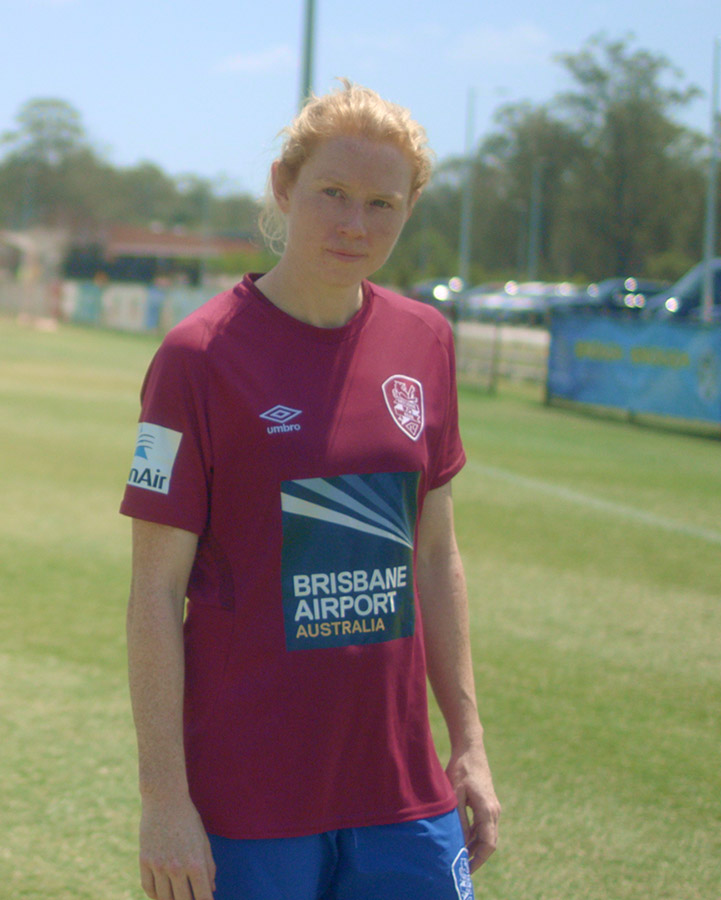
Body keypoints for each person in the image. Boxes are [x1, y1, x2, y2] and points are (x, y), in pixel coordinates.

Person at [123, 80, 500, 900]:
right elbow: (154, 592)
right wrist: (164, 800)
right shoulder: (196, 358)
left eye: (382, 203)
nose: (354, 223)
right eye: (332, 192)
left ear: (409, 210)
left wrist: (468, 742)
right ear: (283, 187)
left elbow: (435, 556)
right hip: (247, 799)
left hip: (401, 793)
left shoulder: (426, 340)